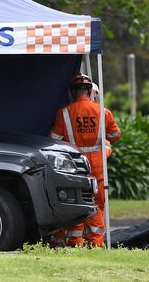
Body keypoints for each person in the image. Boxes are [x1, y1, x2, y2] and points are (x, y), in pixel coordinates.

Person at [48, 74, 121, 247]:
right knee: (96, 204)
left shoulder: (64, 113)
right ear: (90, 91)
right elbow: (115, 135)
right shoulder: (104, 112)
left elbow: (54, 138)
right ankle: (96, 243)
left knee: (75, 201)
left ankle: (75, 241)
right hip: (97, 166)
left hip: (74, 165)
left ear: (73, 92)